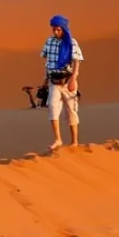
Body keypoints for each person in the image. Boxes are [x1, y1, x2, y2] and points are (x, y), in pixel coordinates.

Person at [40, 14, 84, 150]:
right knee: (52, 108)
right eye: (54, 29)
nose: (55, 32)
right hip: (54, 81)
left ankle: (75, 142)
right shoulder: (49, 42)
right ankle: (58, 139)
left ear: (63, 29)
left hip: (68, 81)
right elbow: (48, 62)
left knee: (71, 111)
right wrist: (45, 79)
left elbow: (77, 61)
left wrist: (74, 79)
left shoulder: (72, 43)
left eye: (58, 29)